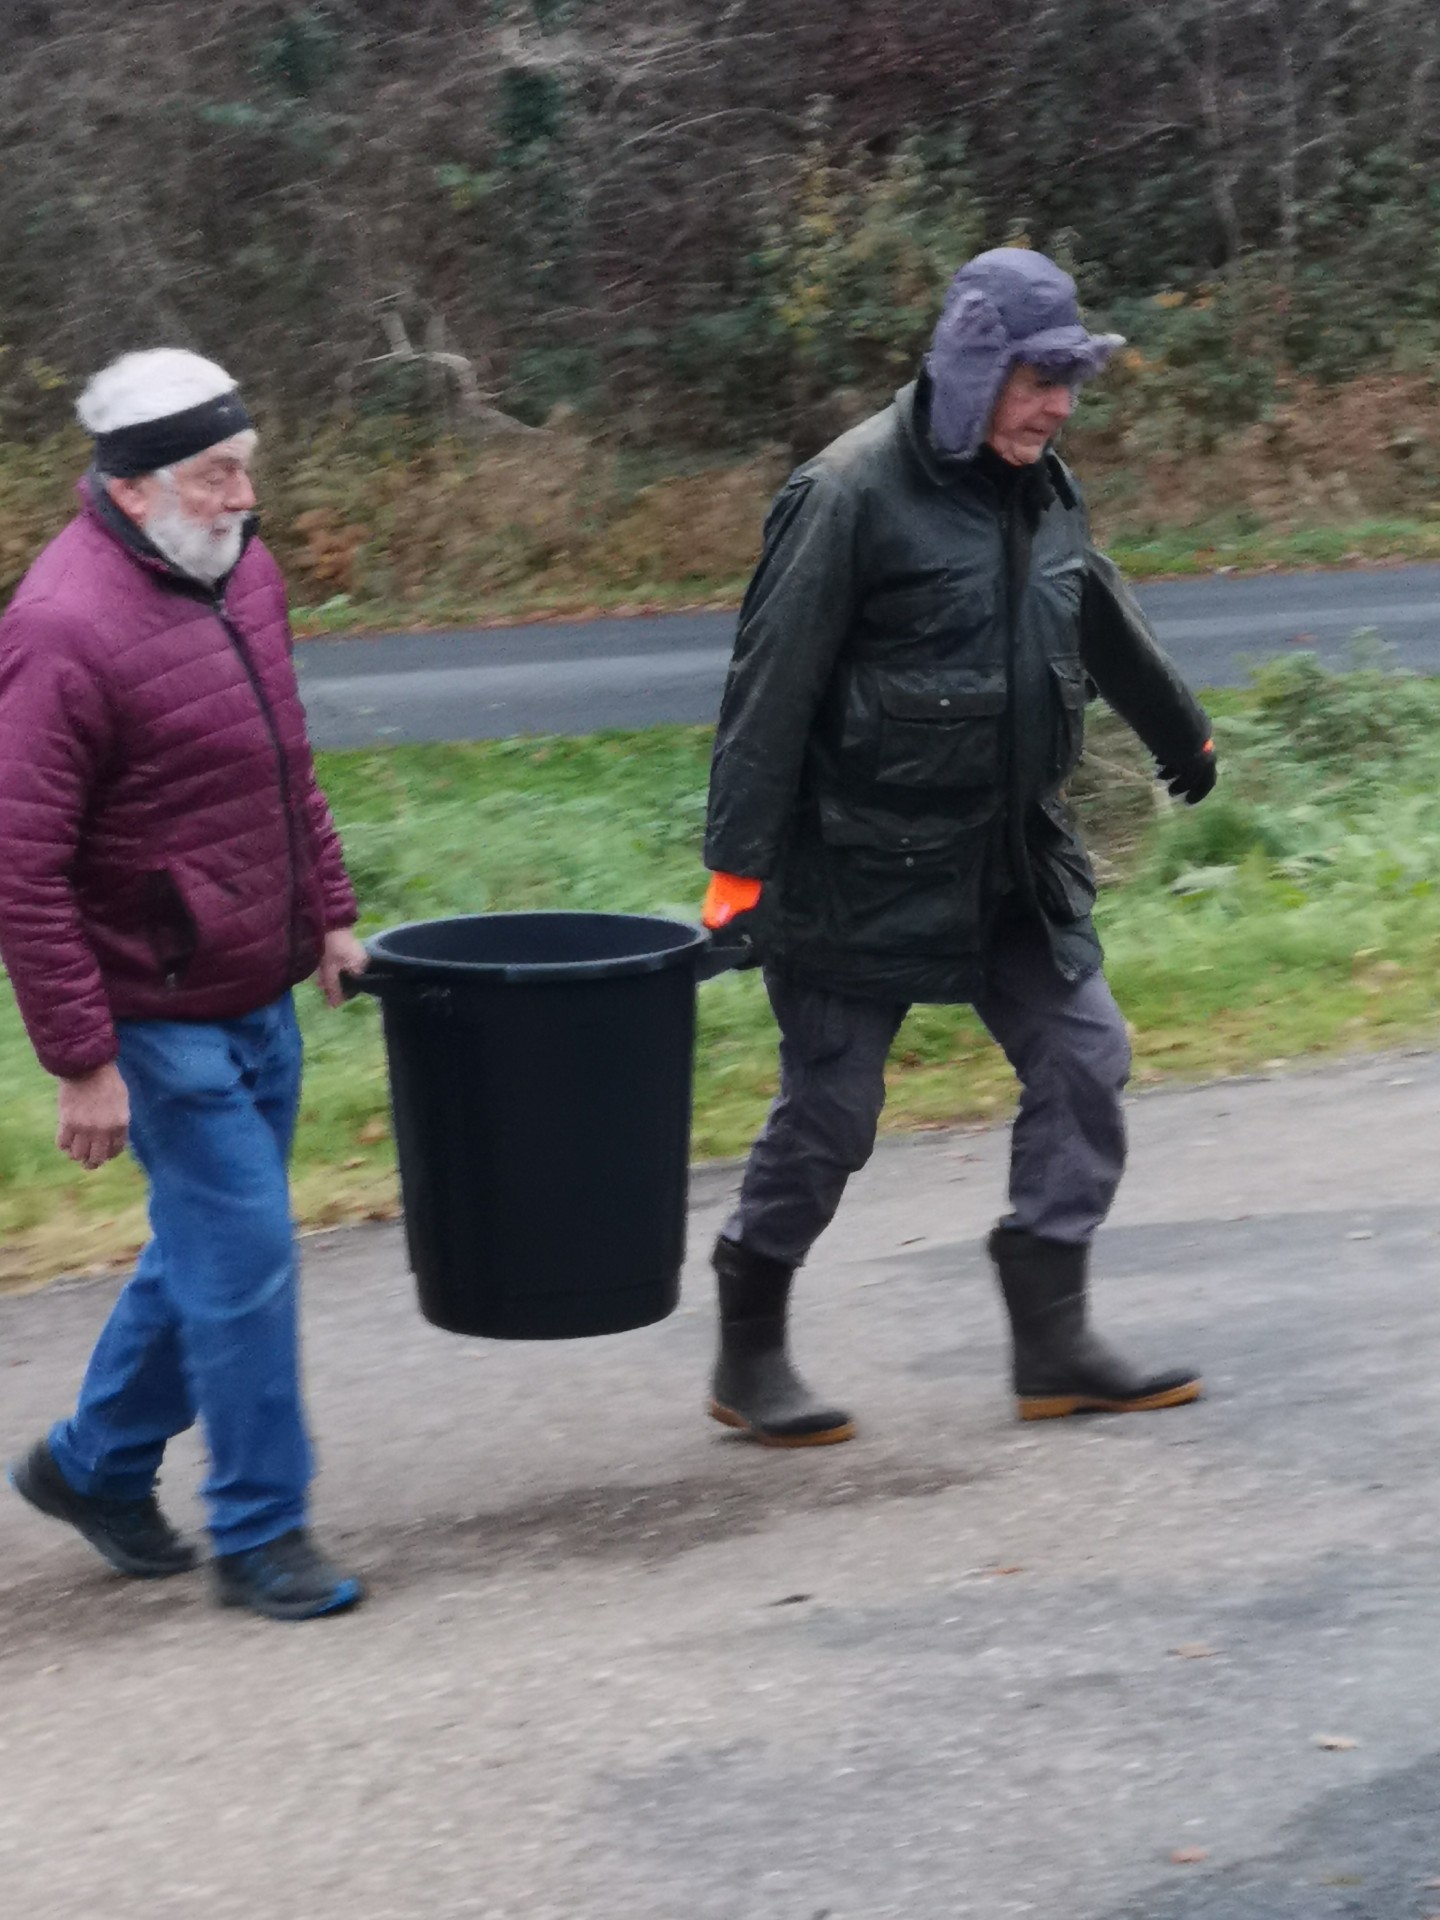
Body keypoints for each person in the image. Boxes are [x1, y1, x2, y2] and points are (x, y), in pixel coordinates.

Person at [700, 248, 1218, 1446]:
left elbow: (1094, 609)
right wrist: (738, 867)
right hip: (856, 864)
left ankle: (1053, 1342)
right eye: (1040, 379)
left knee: (1086, 1058)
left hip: (1006, 860)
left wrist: (1179, 728)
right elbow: (767, 693)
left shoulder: (1041, 486)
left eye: (1069, 381)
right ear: (978, 360)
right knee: (833, 1113)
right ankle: (750, 1346)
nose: (1059, 406)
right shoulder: (850, 495)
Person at [0, 349, 371, 1619]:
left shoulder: (240, 573)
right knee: (249, 1254)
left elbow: (284, 764)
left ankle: (91, 1465)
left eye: (245, 473)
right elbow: (22, 864)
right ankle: (262, 1533)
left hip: (255, 979)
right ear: (141, 487)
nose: (241, 501)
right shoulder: (60, 627)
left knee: (210, 1251)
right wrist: (81, 1060)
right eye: (215, 479)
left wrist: (329, 911)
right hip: (152, 1012)